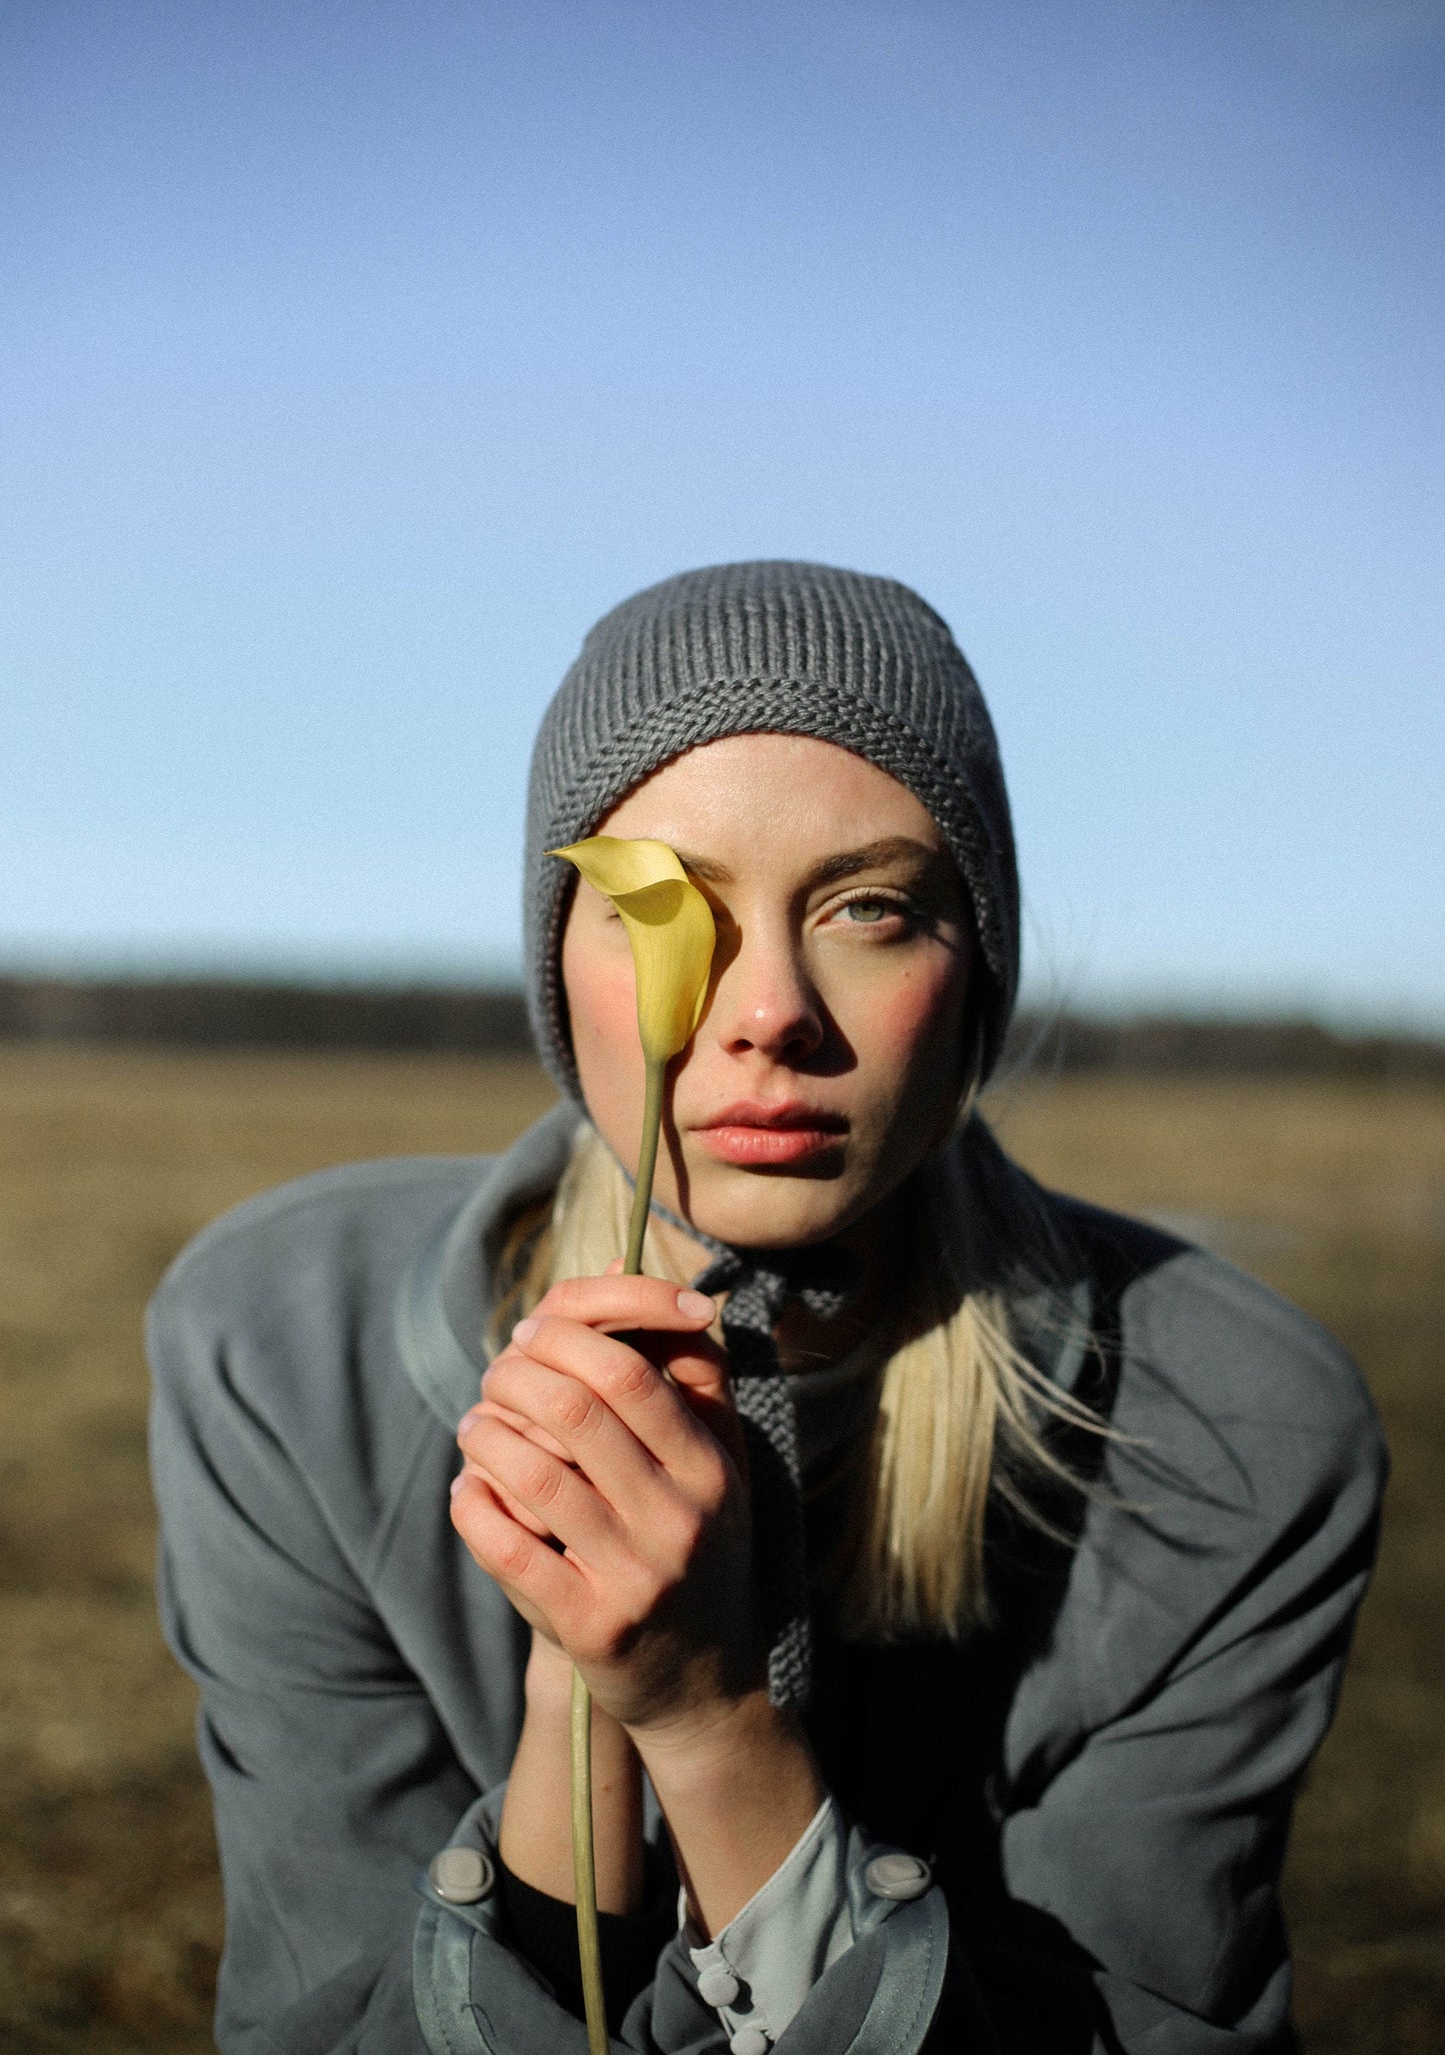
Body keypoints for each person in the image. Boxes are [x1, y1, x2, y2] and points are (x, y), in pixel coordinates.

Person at [148, 561, 1386, 2055]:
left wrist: (708, 1721)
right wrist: (575, 1716)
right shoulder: (280, 1347)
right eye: (671, 904)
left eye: (868, 906)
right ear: (559, 955)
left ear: (976, 961)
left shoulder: (1243, 1432)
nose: (764, 1011)